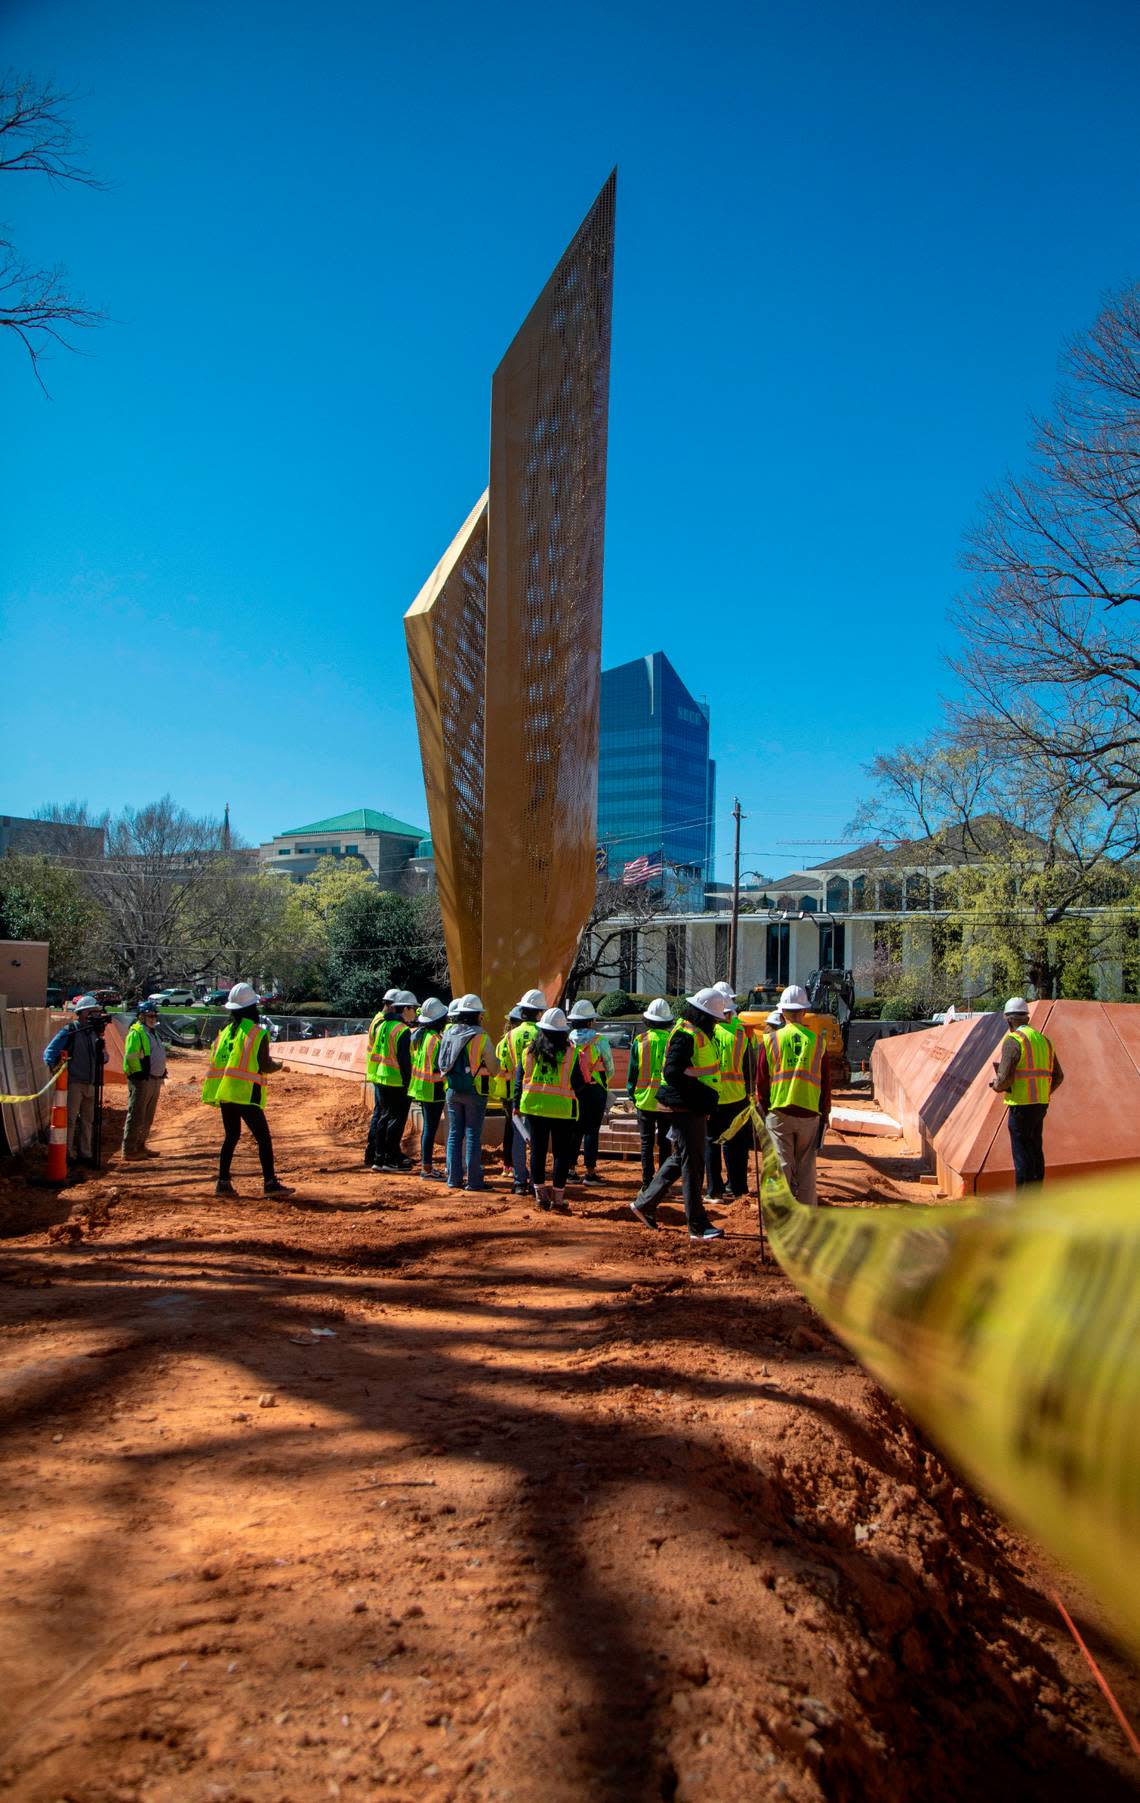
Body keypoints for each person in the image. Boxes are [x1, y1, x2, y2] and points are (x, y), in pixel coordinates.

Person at [629, 988, 727, 1243]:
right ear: (704, 1015)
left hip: (688, 1107)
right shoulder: (686, 1034)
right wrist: (703, 1095)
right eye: (714, 1018)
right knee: (693, 1166)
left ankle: (644, 1204)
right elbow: (673, 1072)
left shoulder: (694, 1032)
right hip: (686, 1108)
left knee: (679, 1159)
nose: (717, 1022)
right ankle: (697, 1224)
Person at [202, 982, 292, 1197]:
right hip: (245, 1092)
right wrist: (280, 1066)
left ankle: (223, 1182)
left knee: (231, 1136)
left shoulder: (224, 1033)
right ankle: (270, 1183)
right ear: (253, 1007)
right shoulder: (256, 1034)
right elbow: (264, 1065)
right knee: (263, 1138)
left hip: (225, 1092)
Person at [755, 984, 831, 1208]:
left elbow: (762, 1080)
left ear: (783, 1012)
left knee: (782, 1165)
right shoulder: (818, 1042)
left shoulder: (770, 1041)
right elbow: (826, 1083)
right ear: (804, 1011)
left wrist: (763, 1107)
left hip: (779, 1111)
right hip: (809, 1112)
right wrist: (824, 1113)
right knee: (807, 1168)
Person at [517, 1007, 591, 1212]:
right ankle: (558, 1199)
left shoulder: (530, 1052)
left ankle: (540, 1196)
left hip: (534, 1108)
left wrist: (516, 1105)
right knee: (561, 1154)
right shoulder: (572, 1052)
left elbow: (519, 1081)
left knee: (537, 1152)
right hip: (562, 1110)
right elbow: (579, 1084)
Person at [988, 997, 1064, 1186]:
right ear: (1027, 1018)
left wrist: (996, 1085)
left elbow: (1005, 1078)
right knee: (1035, 1150)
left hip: (1021, 1105)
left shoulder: (1013, 1041)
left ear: (1009, 1020)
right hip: (1040, 1104)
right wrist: (1042, 1092)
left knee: (1021, 1154)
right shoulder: (1044, 1041)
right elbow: (1058, 1076)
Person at [439, 994, 499, 1191]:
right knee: (472, 1134)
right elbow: (494, 1067)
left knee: (454, 1134)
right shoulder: (481, 1037)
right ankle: (474, 1181)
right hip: (475, 1091)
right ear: (477, 1015)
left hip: (452, 1089)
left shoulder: (448, 1033)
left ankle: (453, 1179)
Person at [43, 994, 107, 1168]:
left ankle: (85, 1154)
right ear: (84, 1013)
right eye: (94, 1012)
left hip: (91, 1083)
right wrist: (56, 1071)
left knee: (88, 1120)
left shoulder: (94, 1034)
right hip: (74, 1083)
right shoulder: (70, 1030)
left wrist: (101, 1045)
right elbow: (50, 1052)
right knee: (70, 1120)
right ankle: (67, 1153)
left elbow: (104, 1058)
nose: (97, 1016)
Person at [705, 984, 754, 1204]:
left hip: (712, 1098)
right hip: (737, 1098)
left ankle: (714, 1190)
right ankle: (737, 1187)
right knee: (737, 1145)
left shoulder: (707, 1034)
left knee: (711, 1144)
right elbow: (749, 1069)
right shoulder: (742, 1034)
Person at [365, 989, 418, 1173]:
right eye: (414, 1009)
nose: (415, 1013)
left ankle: (379, 1157)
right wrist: (410, 1084)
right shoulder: (402, 1031)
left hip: (381, 1077)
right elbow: (404, 1062)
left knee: (383, 1118)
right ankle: (390, 1159)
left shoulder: (383, 1026)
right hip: (397, 1082)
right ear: (405, 1009)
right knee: (396, 1121)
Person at [626, 998, 673, 1188]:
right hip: (666, 1101)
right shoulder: (672, 1040)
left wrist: (632, 1094)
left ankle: (647, 1183)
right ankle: (662, 1184)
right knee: (665, 1143)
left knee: (646, 1143)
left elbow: (633, 1072)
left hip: (644, 1099)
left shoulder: (640, 1041)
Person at [567, 999, 612, 1184]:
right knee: (592, 1130)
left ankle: (570, 1170)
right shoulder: (599, 1040)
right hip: (595, 1089)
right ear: (590, 1021)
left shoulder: (567, 1039)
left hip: (573, 1090)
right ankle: (590, 1173)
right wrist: (603, 1082)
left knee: (575, 1130)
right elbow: (609, 1067)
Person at [507, 988, 547, 1194]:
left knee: (518, 1138)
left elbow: (504, 1063)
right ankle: (535, 1180)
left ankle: (519, 1181)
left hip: (517, 1090)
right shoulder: (543, 1033)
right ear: (539, 1012)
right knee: (536, 1140)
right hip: (538, 1091)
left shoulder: (510, 1035)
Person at [407, 997, 449, 1179]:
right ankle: (427, 1168)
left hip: (422, 1088)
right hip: (434, 1090)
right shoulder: (437, 1040)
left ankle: (427, 1167)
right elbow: (440, 1069)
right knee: (430, 1130)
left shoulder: (421, 1036)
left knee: (428, 1130)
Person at [121, 1000, 166, 1160]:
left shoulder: (153, 1032)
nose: (153, 1018)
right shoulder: (137, 1032)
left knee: (148, 1116)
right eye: (150, 1016)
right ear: (141, 1017)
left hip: (154, 1079)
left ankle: (141, 1145)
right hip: (141, 1079)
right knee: (137, 1114)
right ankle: (129, 1149)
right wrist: (139, 1073)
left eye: (154, 1015)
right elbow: (131, 1055)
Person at [493, 1005, 524, 1180]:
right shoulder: (531, 1038)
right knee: (523, 1131)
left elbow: (499, 1068)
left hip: (507, 1091)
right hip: (525, 1092)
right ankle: (520, 1167)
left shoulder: (503, 1042)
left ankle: (508, 1166)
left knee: (509, 1129)